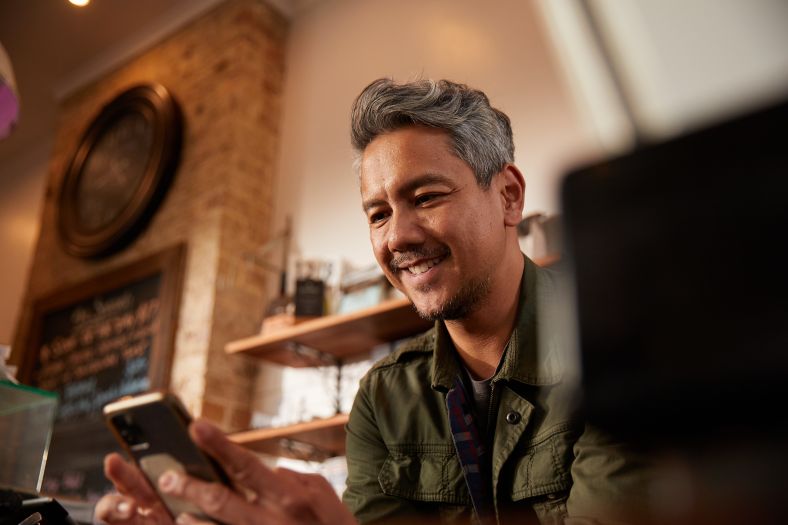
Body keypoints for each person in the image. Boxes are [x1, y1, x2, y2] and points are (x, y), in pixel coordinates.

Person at [96, 79, 650, 525]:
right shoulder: (383, 398)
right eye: (378, 214)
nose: (397, 238)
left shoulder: (615, 334)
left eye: (426, 197)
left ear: (508, 196)